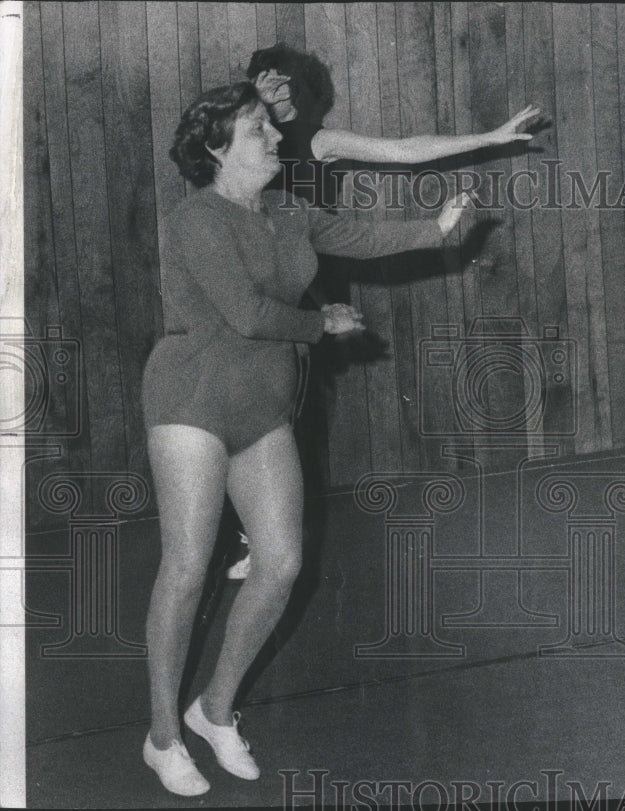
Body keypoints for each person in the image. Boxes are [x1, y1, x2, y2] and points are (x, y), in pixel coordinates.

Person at [140, 81, 472, 796]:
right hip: (191, 397)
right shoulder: (194, 219)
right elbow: (248, 312)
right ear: (217, 148)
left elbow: (356, 236)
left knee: (283, 561)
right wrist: (324, 324)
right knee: (190, 567)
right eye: (257, 128)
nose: (274, 137)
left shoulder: (288, 211)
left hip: (262, 402)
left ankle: (214, 708)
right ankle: (163, 734)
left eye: (269, 125)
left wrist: (434, 229)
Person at [218, 43, 542, 580]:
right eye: (262, 86)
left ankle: (257, 533)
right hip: (245, 281)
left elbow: (405, 149)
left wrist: (487, 138)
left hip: (301, 284)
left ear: (300, 89)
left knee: (280, 409)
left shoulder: (316, 141)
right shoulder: (239, 144)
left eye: (282, 84)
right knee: (243, 407)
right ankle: (240, 529)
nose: (275, 95)